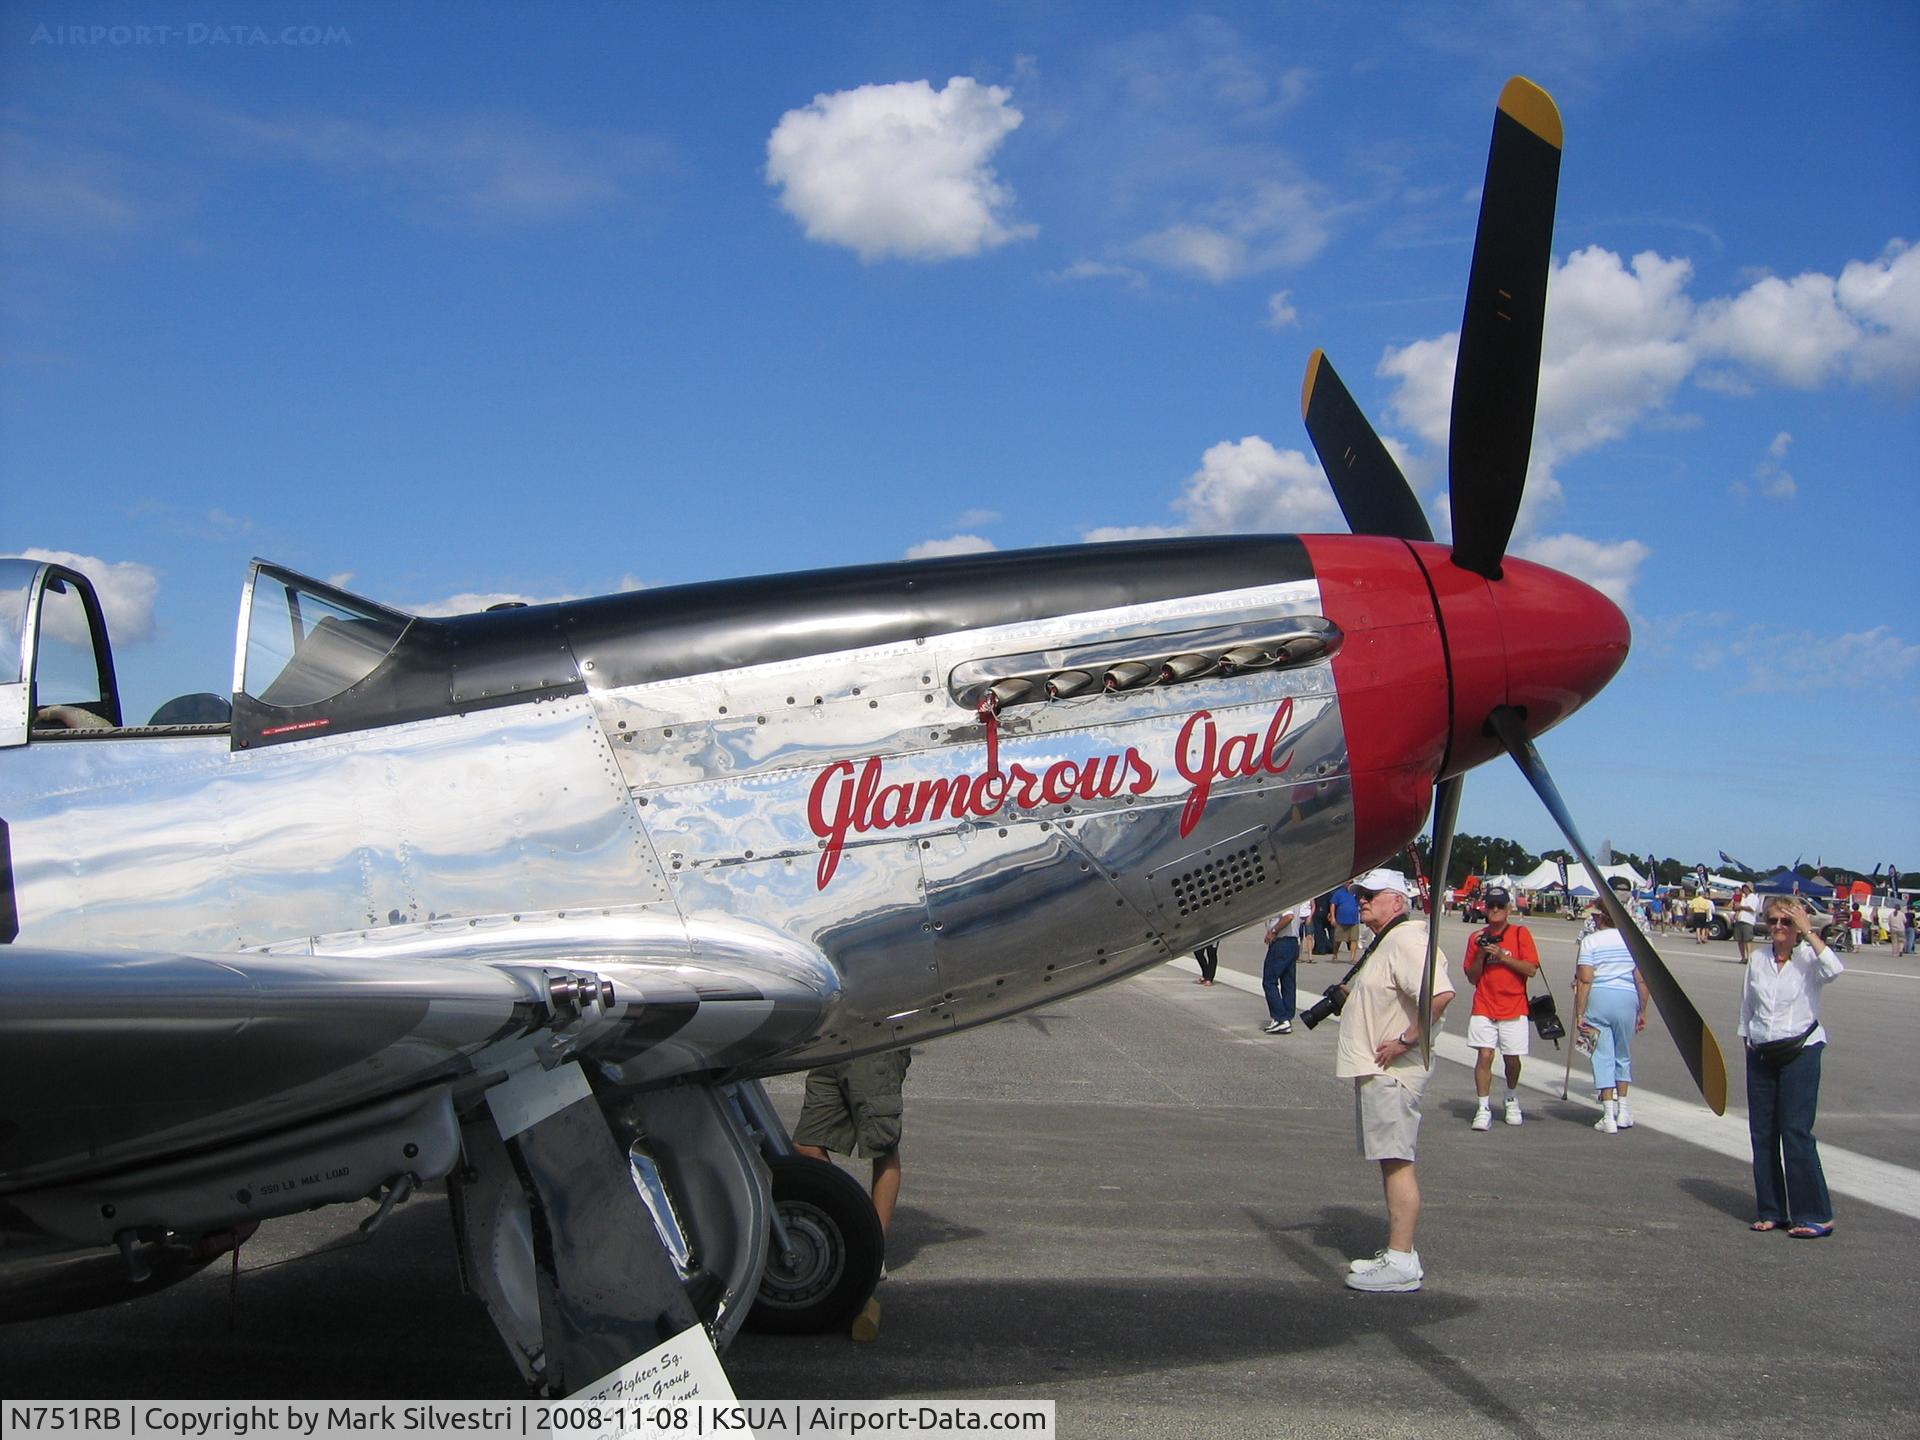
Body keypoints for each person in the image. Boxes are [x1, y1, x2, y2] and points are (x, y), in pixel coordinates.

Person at [1330, 868, 1455, 1293]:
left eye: (1371, 894)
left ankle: (1401, 1261)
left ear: (1397, 902)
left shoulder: (1407, 940)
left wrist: (1404, 1040)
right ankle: (1399, 1252)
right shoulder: (1388, 941)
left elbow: (1439, 995)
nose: (1361, 900)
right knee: (1389, 1160)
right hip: (1379, 1070)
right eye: (1360, 894)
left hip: (1393, 1072)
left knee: (1398, 1162)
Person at [1742, 898, 1843, 1238]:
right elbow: (1748, 1006)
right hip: (1761, 1051)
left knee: (1796, 1132)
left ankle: (1816, 1213)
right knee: (1763, 1134)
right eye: (1773, 921)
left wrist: (1808, 930)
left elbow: (1834, 969)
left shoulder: (1808, 958)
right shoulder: (1757, 959)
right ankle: (1772, 1210)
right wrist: (1748, 1042)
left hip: (1801, 1049)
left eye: (1787, 922)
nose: (1779, 928)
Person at [794, 1047, 912, 1248]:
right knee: (806, 1144)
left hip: (873, 1046)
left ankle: (873, 1248)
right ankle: (851, 1223)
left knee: (883, 1146)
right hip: (831, 1043)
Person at [1463, 887, 1540, 1130]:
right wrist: (1481, 956)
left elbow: (1530, 969)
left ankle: (1510, 1096)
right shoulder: (1476, 938)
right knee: (1485, 1054)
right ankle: (1483, 1106)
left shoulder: (1520, 934)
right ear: (1485, 908)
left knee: (1512, 1058)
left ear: (1508, 909)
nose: (1495, 910)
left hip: (1514, 1005)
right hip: (1484, 1004)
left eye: (1500, 906)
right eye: (1491, 906)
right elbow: (1472, 978)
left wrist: (1502, 956)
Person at [1572, 911, 1649, 1133]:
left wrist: (1580, 1011)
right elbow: (1641, 978)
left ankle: (1608, 1115)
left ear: (1602, 918)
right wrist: (1642, 1010)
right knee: (1622, 1053)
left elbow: (1585, 978)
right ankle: (1623, 1109)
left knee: (1602, 1055)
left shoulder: (1590, 940)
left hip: (1600, 996)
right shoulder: (1633, 939)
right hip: (1627, 997)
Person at [1259, 900, 1310, 1033]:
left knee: (1269, 981)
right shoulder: (1297, 897)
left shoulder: (1283, 897)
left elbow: (1288, 916)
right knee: (1288, 982)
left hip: (1282, 942)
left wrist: (1273, 931)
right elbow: (1303, 917)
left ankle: (1280, 1018)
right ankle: (1286, 1016)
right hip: (1293, 941)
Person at [1330, 882, 1362, 964]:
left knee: (1354, 939)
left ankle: (1352, 958)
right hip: (1341, 920)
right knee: (1338, 939)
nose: (1350, 884)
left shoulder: (1356, 893)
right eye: (1348, 883)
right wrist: (1333, 917)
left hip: (1354, 920)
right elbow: (1333, 904)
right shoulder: (1339, 893)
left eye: (1351, 883)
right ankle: (1335, 955)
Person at [1731, 884, 1760, 963]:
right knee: (1740, 940)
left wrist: (1740, 907)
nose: (1745, 889)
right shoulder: (1742, 897)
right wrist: (1735, 908)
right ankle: (1743, 957)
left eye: (1746, 888)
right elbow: (1735, 906)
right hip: (1739, 920)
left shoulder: (1753, 897)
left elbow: (1752, 908)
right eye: (1744, 888)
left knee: (1748, 940)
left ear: (1750, 889)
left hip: (1748, 921)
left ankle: (1750, 957)